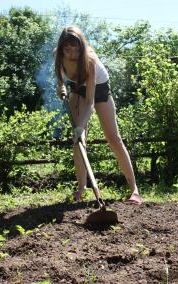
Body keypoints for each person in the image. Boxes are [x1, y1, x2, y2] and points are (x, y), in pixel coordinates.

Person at [54, 26, 142, 205]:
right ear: (62, 47)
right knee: (78, 141)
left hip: (99, 90)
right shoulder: (58, 55)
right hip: (76, 88)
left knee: (113, 138)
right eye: (68, 49)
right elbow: (60, 76)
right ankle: (81, 188)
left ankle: (134, 190)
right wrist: (61, 86)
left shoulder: (89, 60)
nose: (72, 54)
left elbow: (90, 103)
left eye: (76, 49)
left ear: (82, 47)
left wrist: (81, 126)